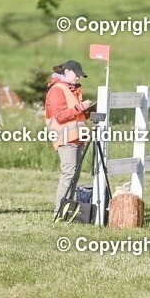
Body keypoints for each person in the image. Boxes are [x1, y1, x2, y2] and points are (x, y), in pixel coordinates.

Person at [45, 60, 93, 215]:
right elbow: (60, 115)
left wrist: (89, 111)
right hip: (66, 138)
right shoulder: (57, 90)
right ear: (67, 72)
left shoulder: (72, 90)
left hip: (77, 137)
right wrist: (81, 107)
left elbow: (75, 114)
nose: (78, 78)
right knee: (69, 174)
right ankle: (59, 211)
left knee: (74, 175)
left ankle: (68, 209)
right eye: (76, 75)